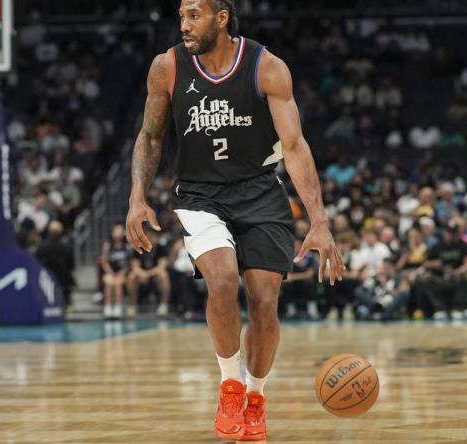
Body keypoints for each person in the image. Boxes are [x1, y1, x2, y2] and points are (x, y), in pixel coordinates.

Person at [125, 0, 344, 440]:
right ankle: (230, 384)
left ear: (221, 18)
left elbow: (296, 145)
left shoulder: (267, 68)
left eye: (194, 15)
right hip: (199, 195)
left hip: (260, 191)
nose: (183, 24)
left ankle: (256, 397)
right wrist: (137, 197)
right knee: (223, 280)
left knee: (264, 303)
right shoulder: (166, 67)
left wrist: (319, 221)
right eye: (181, 15)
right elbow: (150, 136)